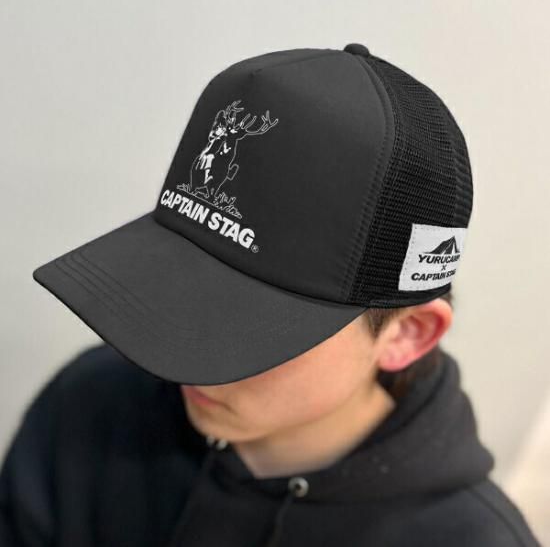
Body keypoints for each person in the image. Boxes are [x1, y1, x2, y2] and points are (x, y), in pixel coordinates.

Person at [0, 43, 541, 546]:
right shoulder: (91, 404)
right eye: (177, 287)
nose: (180, 361)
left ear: (407, 334)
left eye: (250, 326)